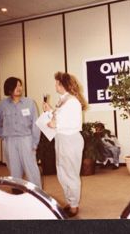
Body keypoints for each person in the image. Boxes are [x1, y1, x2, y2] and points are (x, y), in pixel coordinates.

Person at [43, 71, 87, 217]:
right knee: (62, 173)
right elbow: (59, 117)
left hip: (70, 140)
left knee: (71, 174)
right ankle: (70, 200)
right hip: (62, 139)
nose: (55, 85)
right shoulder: (63, 99)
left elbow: (68, 122)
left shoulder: (72, 101)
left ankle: (74, 205)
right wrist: (50, 111)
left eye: (57, 82)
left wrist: (52, 123)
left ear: (62, 85)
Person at [0, 77, 42, 189]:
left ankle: (38, 195)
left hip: (26, 139)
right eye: (16, 86)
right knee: (14, 169)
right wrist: (2, 135)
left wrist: (35, 143)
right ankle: (16, 192)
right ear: (9, 89)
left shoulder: (30, 103)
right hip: (10, 141)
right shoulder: (2, 105)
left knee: (31, 169)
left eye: (20, 85)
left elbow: (36, 124)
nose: (19, 88)